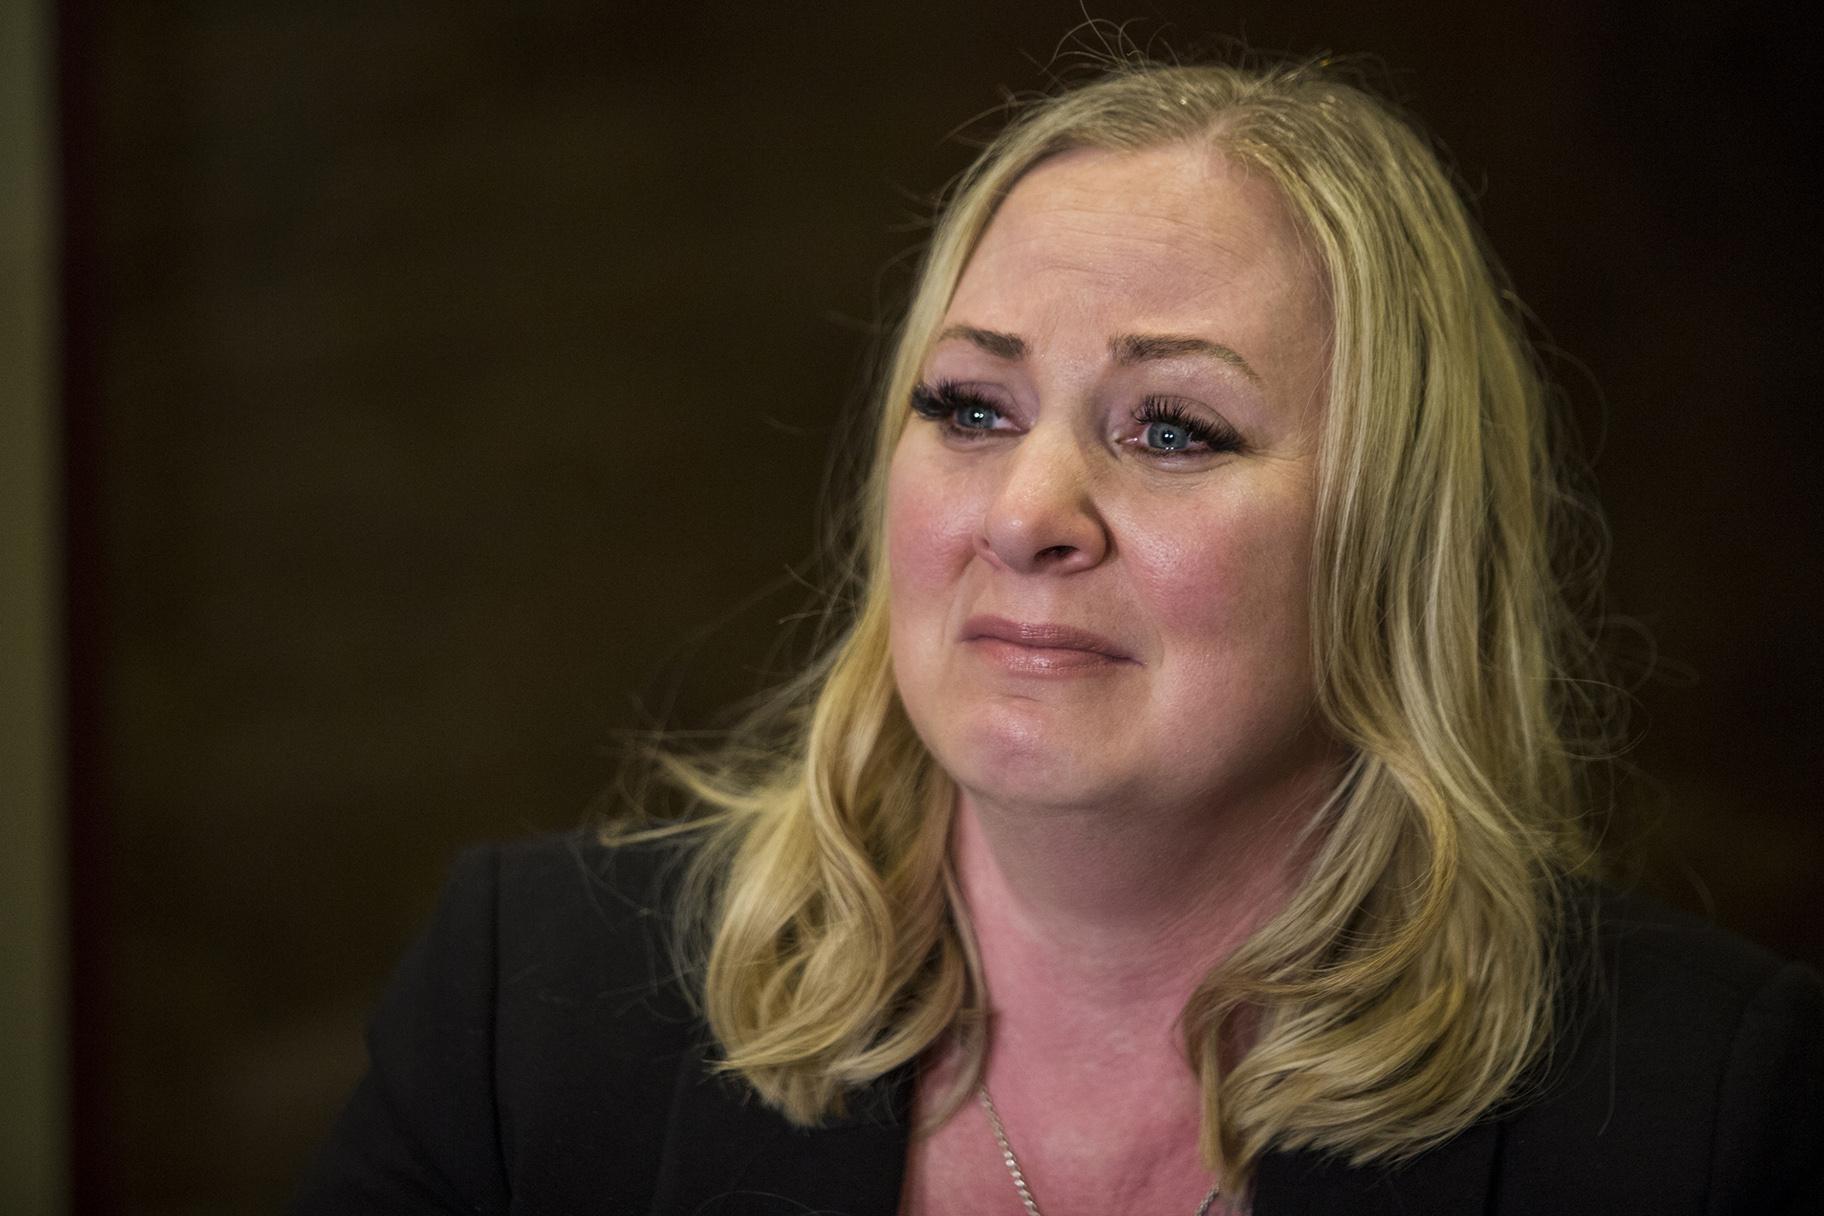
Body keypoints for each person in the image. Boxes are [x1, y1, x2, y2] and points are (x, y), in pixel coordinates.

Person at [292, 56, 1823, 1215]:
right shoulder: (522, 1014)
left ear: (1395, 534)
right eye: (970, 404)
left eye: (1173, 428)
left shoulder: (1700, 1113)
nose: (1028, 510)